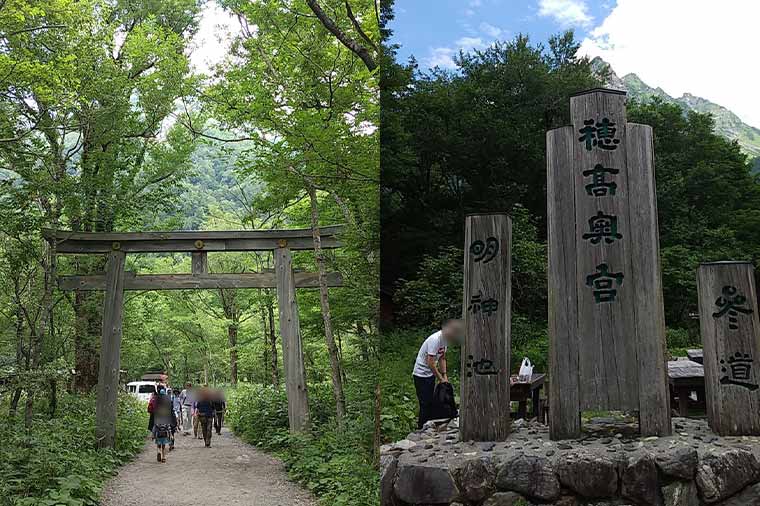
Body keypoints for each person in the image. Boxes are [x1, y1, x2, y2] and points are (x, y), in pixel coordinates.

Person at [411, 319, 463, 430]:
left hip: (430, 374)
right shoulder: (435, 340)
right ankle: (421, 428)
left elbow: (442, 358)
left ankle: (430, 425)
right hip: (421, 374)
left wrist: (444, 375)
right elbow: (430, 362)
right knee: (425, 403)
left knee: (432, 401)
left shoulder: (445, 341)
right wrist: (440, 378)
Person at [152, 386, 177, 463]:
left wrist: (153, 435)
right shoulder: (167, 405)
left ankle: (158, 451)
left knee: (158, 443)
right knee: (163, 445)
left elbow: (155, 425)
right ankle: (163, 456)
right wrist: (171, 434)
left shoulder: (157, 407)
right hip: (165, 430)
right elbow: (169, 425)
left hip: (158, 429)